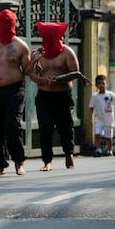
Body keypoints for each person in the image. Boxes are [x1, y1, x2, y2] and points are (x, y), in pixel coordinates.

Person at [29, 21, 91, 171]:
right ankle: (47, 161)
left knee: (65, 127)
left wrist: (59, 79)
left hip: (62, 96)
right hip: (44, 96)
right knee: (45, 127)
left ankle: (68, 153)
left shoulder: (67, 52)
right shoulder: (38, 53)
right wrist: (41, 77)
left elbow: (75, 73)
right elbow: (30, 74)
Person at [0, 9, 32, 177]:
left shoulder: (21, 46)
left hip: (15, 90)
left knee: (12, 125)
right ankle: (0, 164)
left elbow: (28, 71)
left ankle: (19, 161)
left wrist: (35, 61)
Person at [89, 75, 115, 157]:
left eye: (103, 83)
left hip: (109, 119)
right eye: (99, 83)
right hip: (98, 119)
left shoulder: (110, 95)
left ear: (106, 84)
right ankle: (98, 150)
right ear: (96, 85)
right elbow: (91, 108)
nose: (101, 85)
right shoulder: (95, 96)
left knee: (108, 137)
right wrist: (90, 119)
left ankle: (110, 150)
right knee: (97, 134)